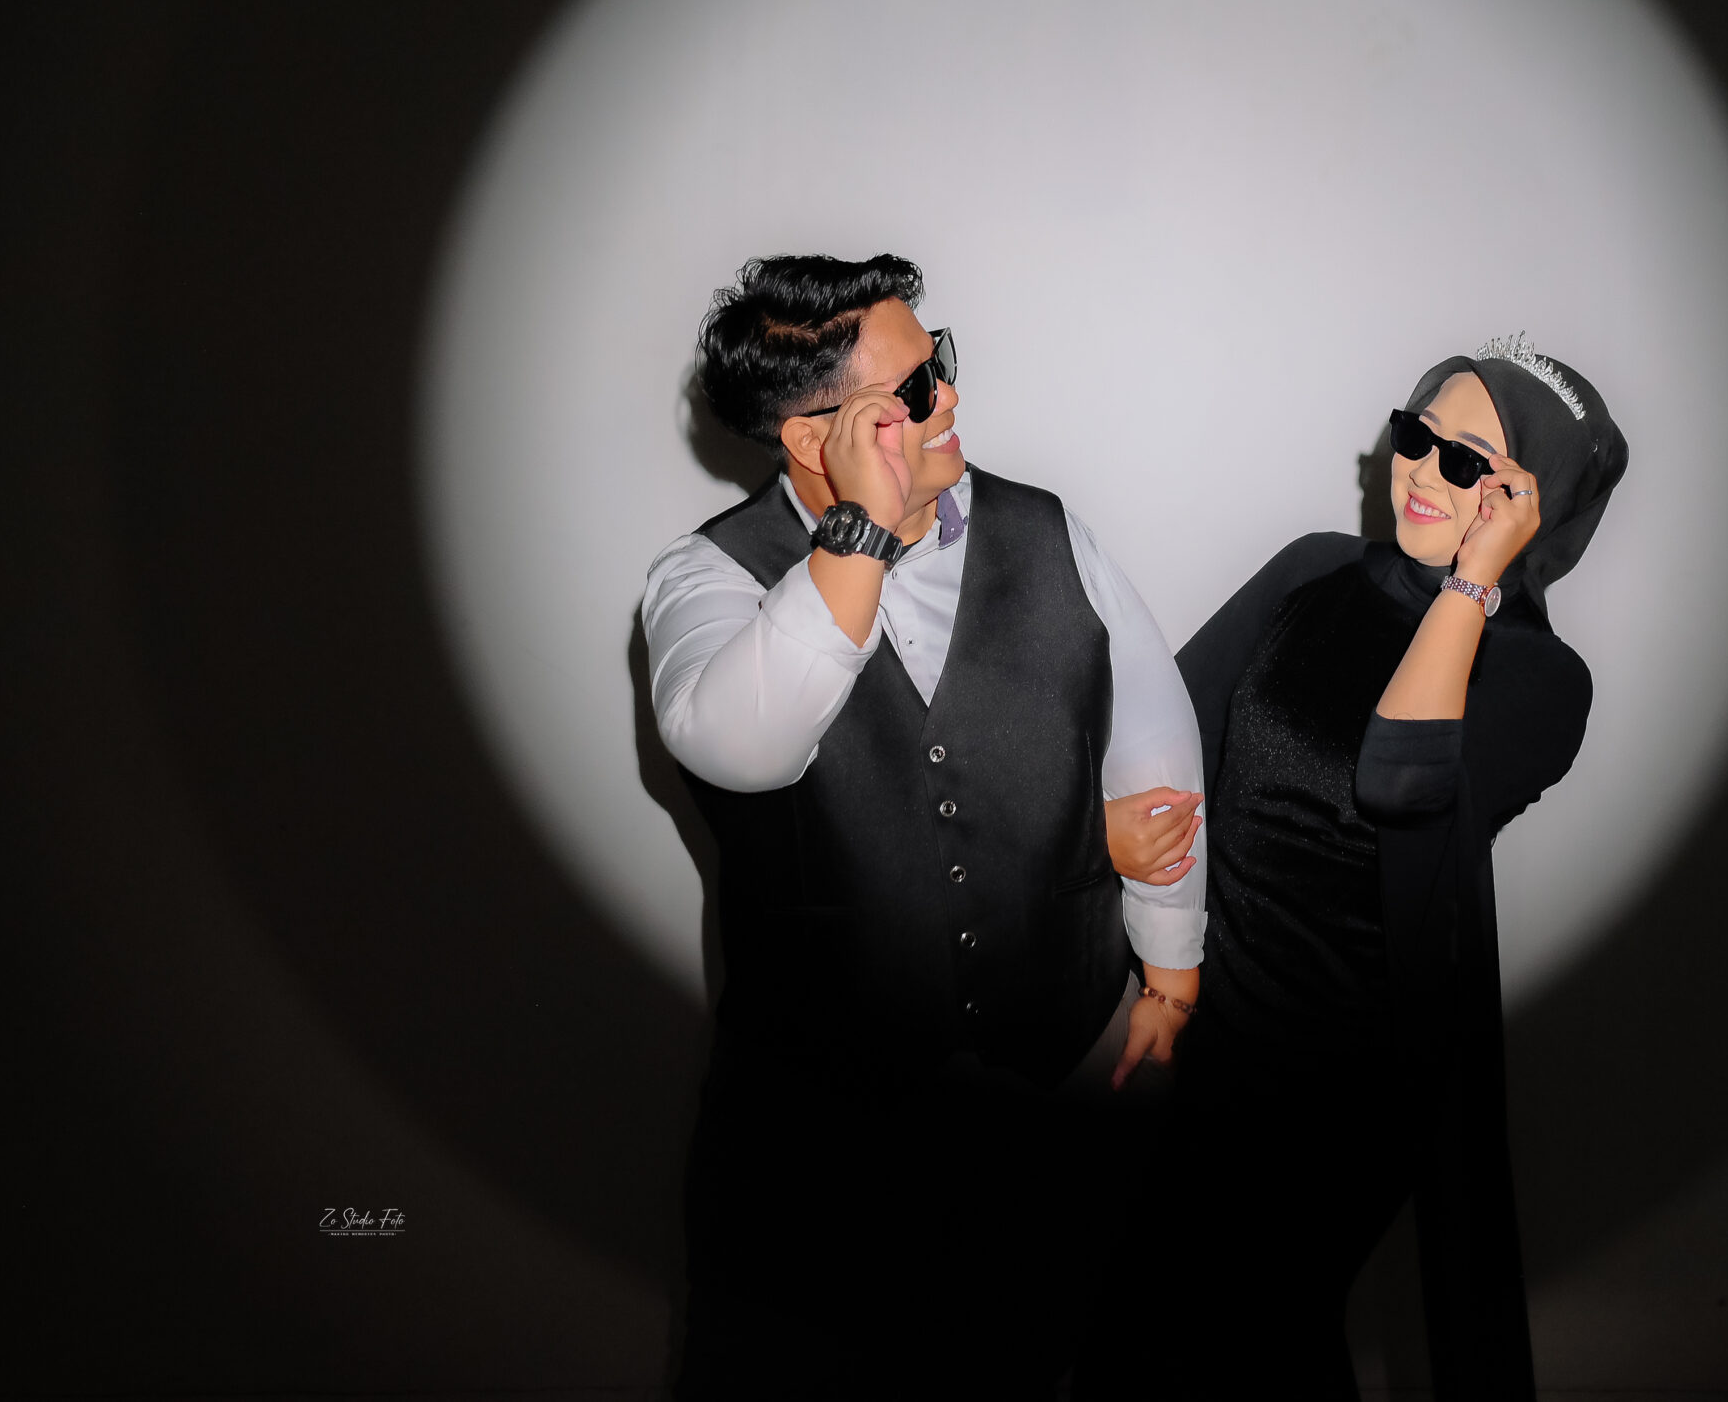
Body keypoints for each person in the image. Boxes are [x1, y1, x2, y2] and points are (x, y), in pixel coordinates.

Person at [641, 254, 1208, 1397]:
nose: (947, 396)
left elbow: (1153, 744)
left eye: (936, 362)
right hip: (816, 1145)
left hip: (1050, 1099)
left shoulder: (1046, 529)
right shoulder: (704, 579)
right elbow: (746, 748)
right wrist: (858, 533)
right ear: (813, 440)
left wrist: (1170, 975)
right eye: (909, 391)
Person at [1091, 334, 1628, 1401]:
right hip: (1199, 1020)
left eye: (1470, 462)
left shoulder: (1542, 682)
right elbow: (1166, 743)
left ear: (1532, 500)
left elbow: (1397, 776)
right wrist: (1142, 927)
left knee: (1252, 1334)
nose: (1423, 471)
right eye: (1417, 436)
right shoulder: (1313, 572)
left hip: (1340, 1086)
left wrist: (1471, 585)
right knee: (1134, 1328)